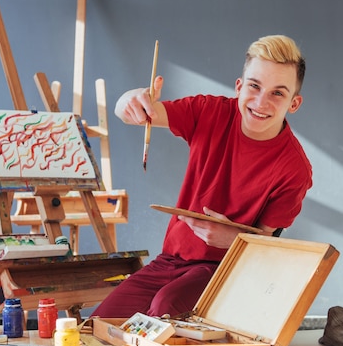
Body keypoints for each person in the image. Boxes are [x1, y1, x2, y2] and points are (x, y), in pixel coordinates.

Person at [91, 34, 312, 318]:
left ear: (294, 104)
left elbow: (264, 250)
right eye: (254, 86)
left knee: (164, 310)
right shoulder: (209, 111)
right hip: (169, 260)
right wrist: (131, 100)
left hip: (224, 270)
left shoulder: (295, 169)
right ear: (239, 87)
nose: (261, 101)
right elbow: (133, 112)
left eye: (278, 93)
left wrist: (232, 238)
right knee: (98, 324)